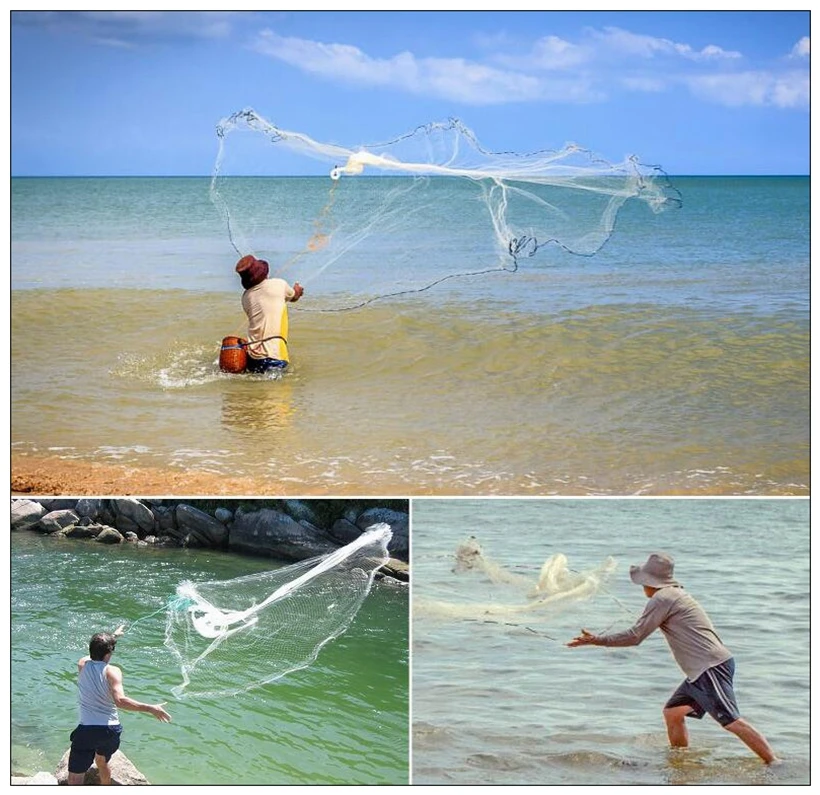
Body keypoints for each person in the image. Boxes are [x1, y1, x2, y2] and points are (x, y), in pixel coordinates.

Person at [567, 553, 778, 764]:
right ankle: (681, 762)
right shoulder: (673, 594)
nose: (642, 587)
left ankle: (774, 762)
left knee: (731, 721)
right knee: (672, 713)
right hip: (702, 670)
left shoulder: (663, 598)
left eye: (643, 582)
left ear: (650, 581)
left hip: (710, 668)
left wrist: (596, 640)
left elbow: (635, 636)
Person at [67, 626, 171, 785]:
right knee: (102, 762)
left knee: (75, 778)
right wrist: (150, 708)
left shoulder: (82, 664)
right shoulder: (112, 671)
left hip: (87, 730)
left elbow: (94, 654)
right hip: (110, 731)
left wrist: (113, 636)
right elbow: (120, 701)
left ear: (91, 650)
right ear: (108, 653)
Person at [235, 255, 303, 373]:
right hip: (274, 355)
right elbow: (294, 297)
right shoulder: (279, 284)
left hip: (252, 357)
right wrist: (298, 290)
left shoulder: (245, 297)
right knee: (278, 390)